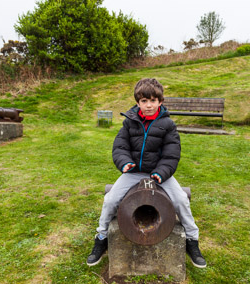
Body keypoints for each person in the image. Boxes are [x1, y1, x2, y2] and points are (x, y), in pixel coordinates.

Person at [87, 78, 206, 268]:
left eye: (152, 100)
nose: (148, 105)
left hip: (159, 173)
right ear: (137, 102)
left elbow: (171, 154)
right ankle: (101, 238)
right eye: (144, 101)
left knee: (181, 200)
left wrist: (161, 173)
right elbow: (120, 146)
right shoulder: (129, 123)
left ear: (160, 102)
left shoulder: (168, 125)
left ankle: (192, 240)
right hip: (133, 172)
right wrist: (124, 162)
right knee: (110, 200)